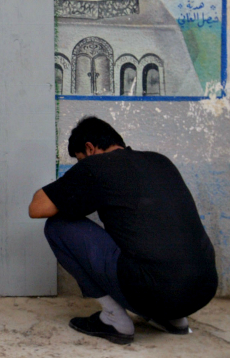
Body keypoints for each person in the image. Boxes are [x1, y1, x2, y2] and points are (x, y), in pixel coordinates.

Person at [29, 116, 217, 345]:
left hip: (154, 293)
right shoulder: (160, 161)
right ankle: (174, 319)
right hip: (202, 290)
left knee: (58, 226)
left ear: (89, 148)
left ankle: (113, 319)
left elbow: (37, 208)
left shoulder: (97, 166)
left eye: (80, 160)